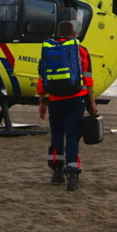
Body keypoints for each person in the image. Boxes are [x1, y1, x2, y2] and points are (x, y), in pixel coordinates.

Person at [38, 20, 98, 191]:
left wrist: (42, 101)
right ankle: (72, 175)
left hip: (55, 99)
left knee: (56, 133)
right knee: (72, 136)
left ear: (58, 33)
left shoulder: (48, 49)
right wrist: (92, 103)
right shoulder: (81, 50)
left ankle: (57, 173)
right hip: (76, 99)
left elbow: (42, 78)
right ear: (73, 35)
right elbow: (88, 79)